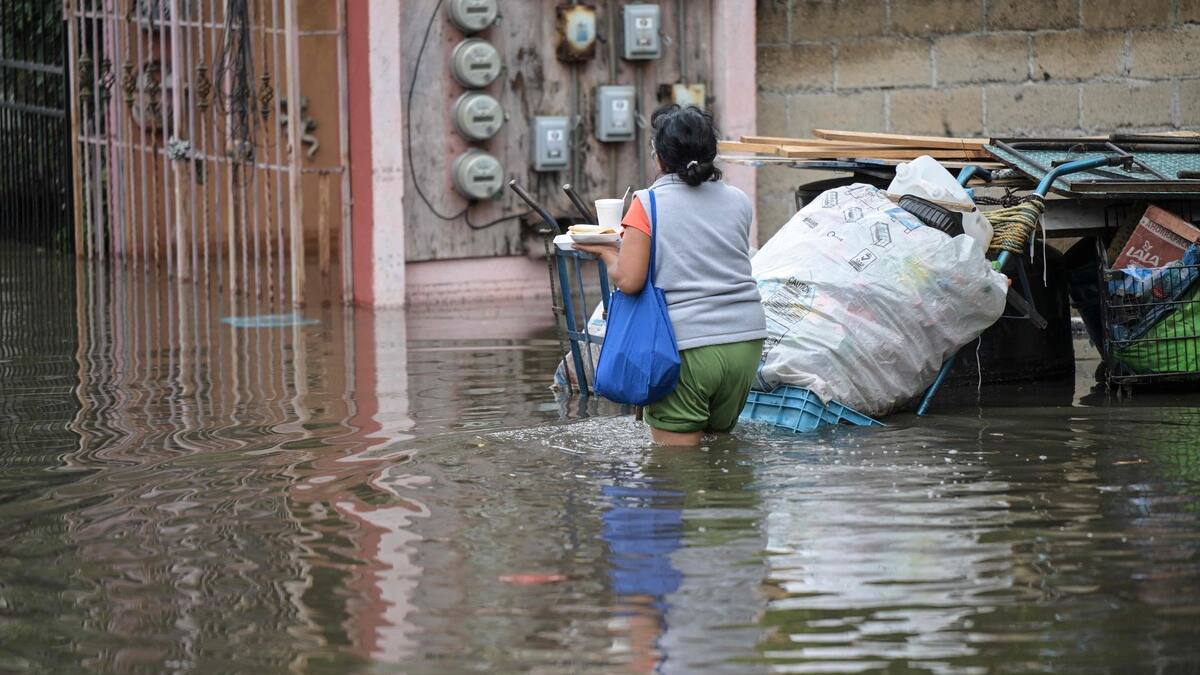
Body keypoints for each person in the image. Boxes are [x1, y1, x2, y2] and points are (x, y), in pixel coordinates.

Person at [576, 105, 766, 446]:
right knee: (721, 453)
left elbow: (630, 280)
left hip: (685, 350)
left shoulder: (647, 202)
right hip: (746, 342)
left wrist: (605, 252)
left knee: (676, 466)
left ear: (660, 156)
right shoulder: (739, 200)